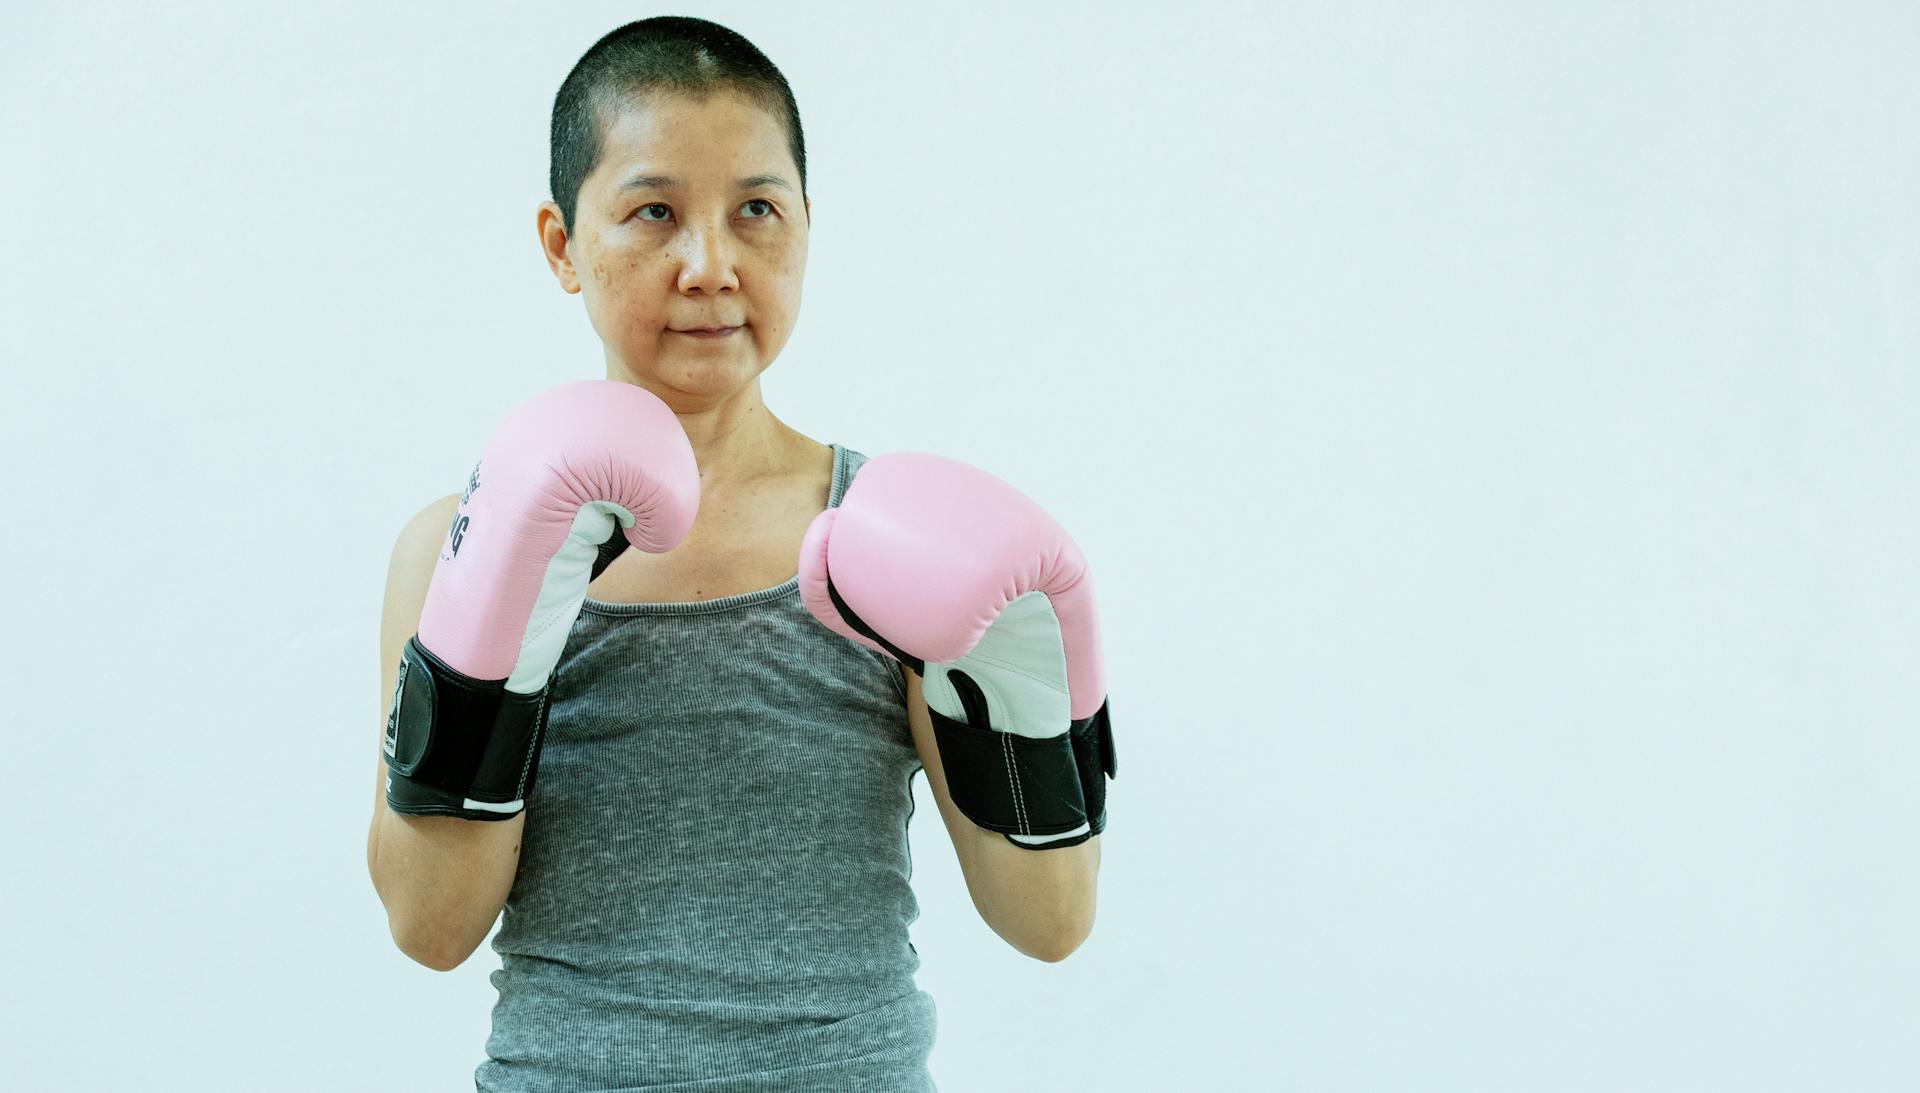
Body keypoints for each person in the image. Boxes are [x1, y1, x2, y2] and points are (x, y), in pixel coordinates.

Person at [366, 16, 1112, 1091]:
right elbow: (428, 928)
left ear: (806, 228)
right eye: (654, 212)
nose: (709, 265)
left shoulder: (888, 541)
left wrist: (1022, 693)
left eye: (756, 210)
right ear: (561, 243)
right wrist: (495, 635)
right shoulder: (454, 542)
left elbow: (1048, 924)